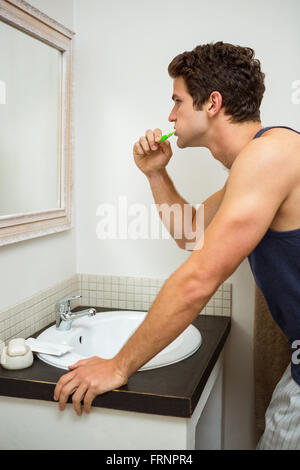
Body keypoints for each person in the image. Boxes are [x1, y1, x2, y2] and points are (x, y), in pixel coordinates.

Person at [54, 41, 300, 449]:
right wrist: (155, 174)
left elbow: (198, 278)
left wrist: (118, 366)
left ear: (212, 103)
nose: (170, 115)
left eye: (177, 101)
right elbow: (191, 233)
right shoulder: (259, 161)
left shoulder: (269, 155)